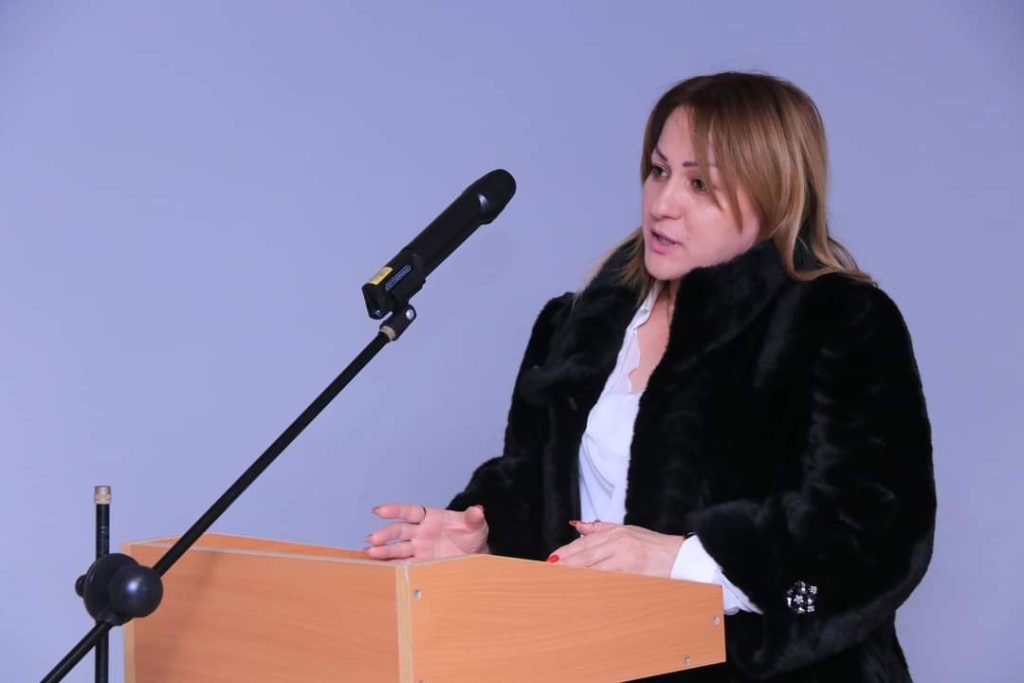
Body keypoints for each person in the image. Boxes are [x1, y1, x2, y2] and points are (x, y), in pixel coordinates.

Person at [364, 72, 935, 681]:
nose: (663, 203)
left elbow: (876, 536)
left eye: (700, 184)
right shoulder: (574, 326)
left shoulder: (841, 321)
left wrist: (684, 560)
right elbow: (544, 498)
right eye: (659, 171)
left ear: (773, 197)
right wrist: (484, 539)